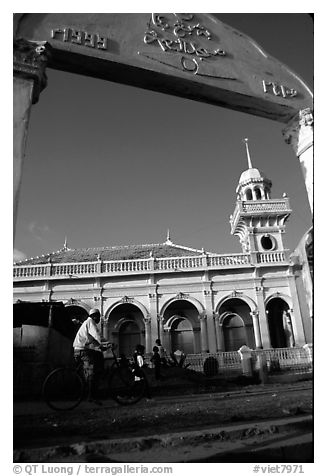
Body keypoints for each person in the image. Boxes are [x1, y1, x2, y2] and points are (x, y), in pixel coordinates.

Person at [73, 308, 107, 403]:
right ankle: (91, 395)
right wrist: (102, 346)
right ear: (95, 316)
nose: (99, 319)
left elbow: (93, 338)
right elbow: (97, 336)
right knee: (92, 372)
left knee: (86, 370)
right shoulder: (90, 322)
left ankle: (85, 390)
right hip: (83, 350)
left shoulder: (86, 323)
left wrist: (105, 343)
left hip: (78, 350)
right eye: (99, 316)